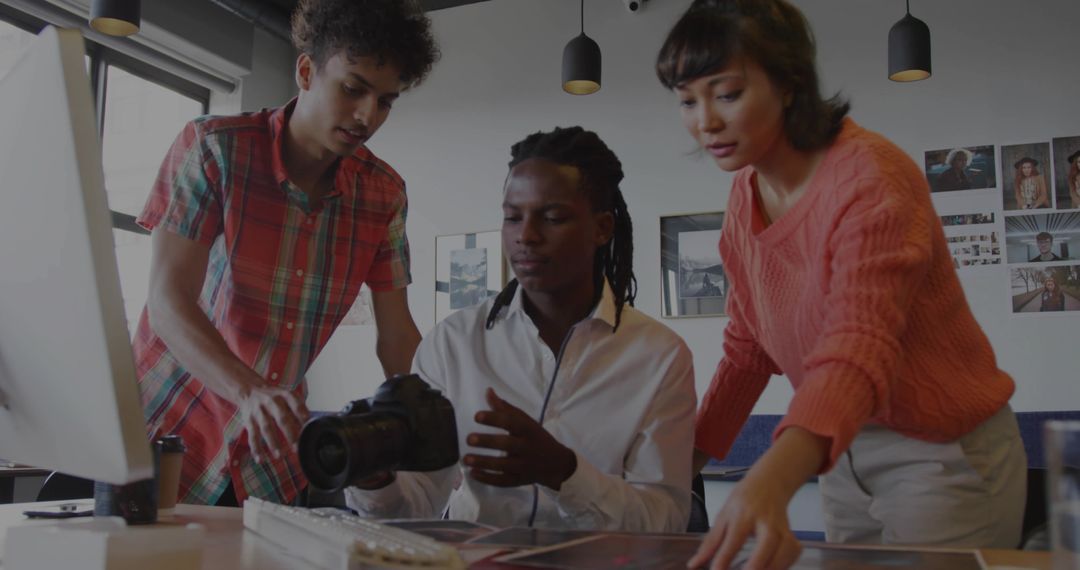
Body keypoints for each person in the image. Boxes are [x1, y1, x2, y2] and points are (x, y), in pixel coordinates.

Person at [654, 1, 1026, 568]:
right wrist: (690, 463)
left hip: (939, 449)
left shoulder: (869, 176)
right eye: (687, 101)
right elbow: (750, 347)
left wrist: (771, 477)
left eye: (726, 94)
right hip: (838, 446)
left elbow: (857, 347)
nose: (705, 121)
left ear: (787, 83)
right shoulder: (744, 196)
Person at [133, 0, 439, 506]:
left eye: (386, 101)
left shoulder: (384, 194)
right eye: (352, 88)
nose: (367, 115)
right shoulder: (213, 149)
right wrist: (250, 392)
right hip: (163, 434)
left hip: (269, 458)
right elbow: (169, 303)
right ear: (304, 71)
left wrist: (430, 416)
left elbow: (397, 334)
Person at [344, 127, 696, 532]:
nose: (525, 236)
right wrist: (376, 480)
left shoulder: (659, 356)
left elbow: (666, 521)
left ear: (601, 228)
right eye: (512, 217)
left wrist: (565, 473)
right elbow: (416, 505)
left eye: (552, 218)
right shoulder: (454, 343)